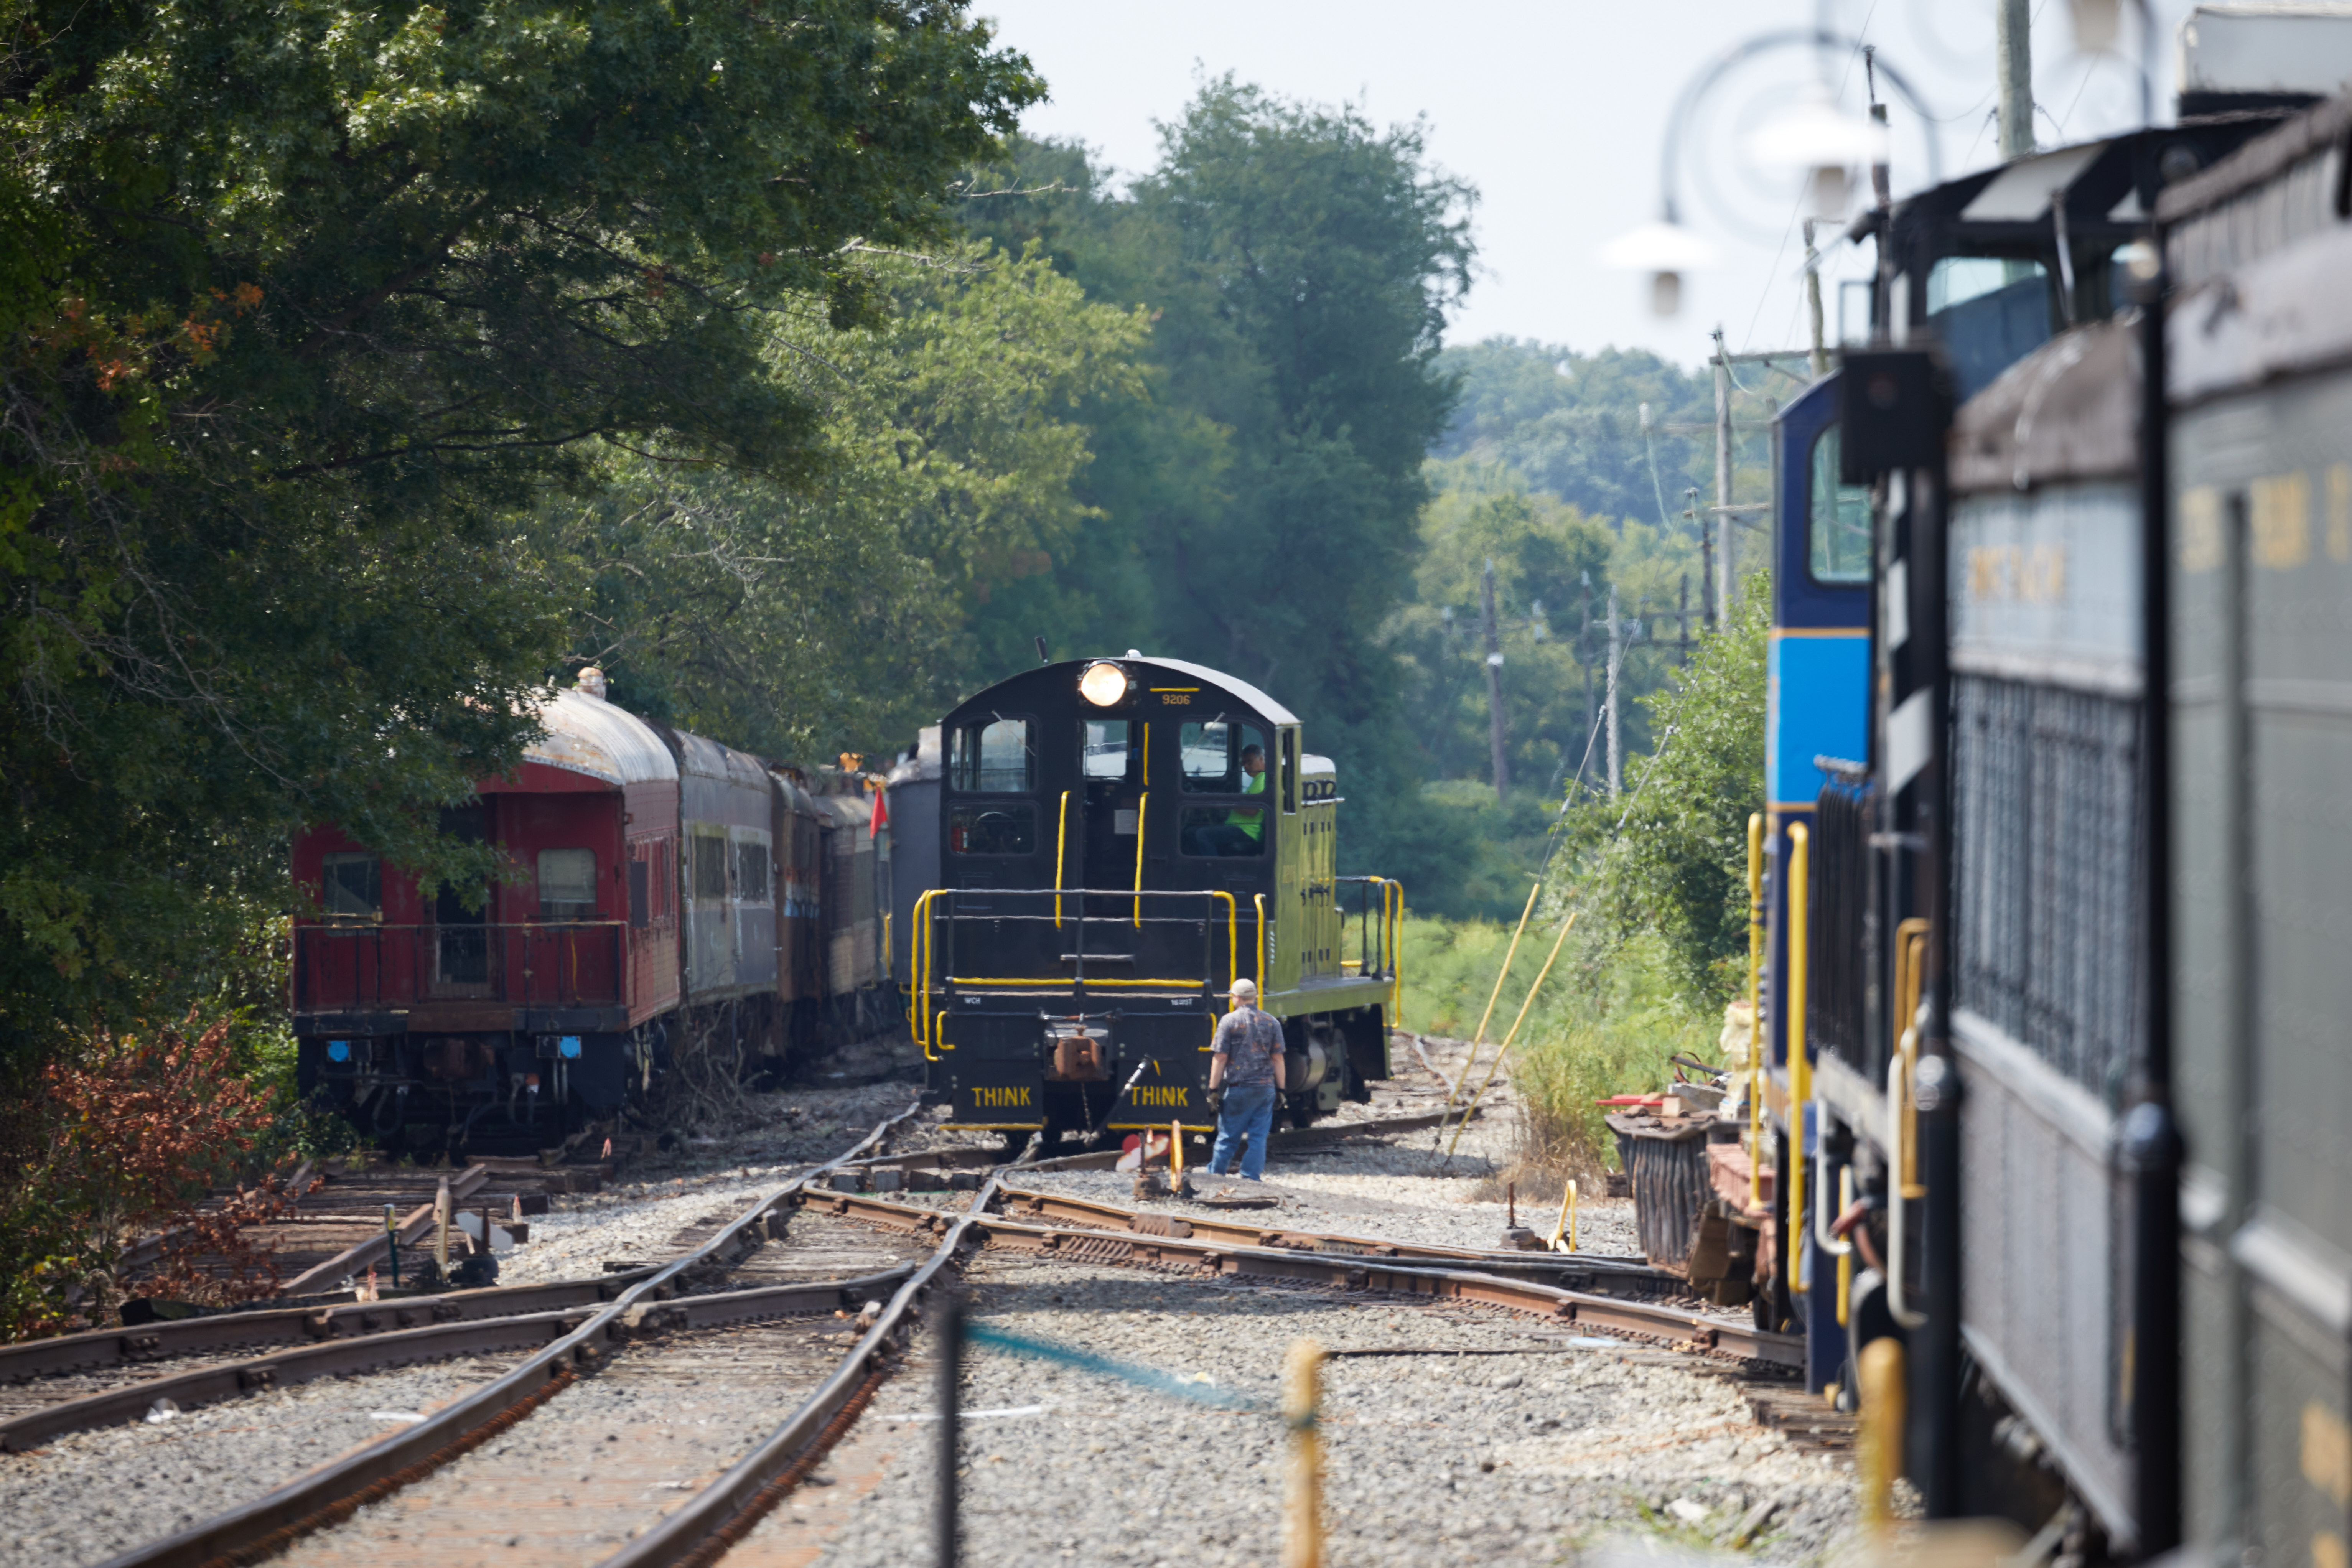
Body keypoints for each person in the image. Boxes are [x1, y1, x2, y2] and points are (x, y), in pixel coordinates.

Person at [1206, 977, 1286, 1179]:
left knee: (1228, 1137)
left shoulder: (1229, 1021)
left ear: (1237, 998)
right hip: (1265, 1089)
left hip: (1239, 1088)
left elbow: (1220, 1057)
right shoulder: (1272, 1022)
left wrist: (1213, 1090)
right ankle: (1251, 1177)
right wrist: (1282, 1090)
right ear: (1254, 997)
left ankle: (1216, 1175)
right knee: (1259, 1137)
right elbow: (1278, 1059)